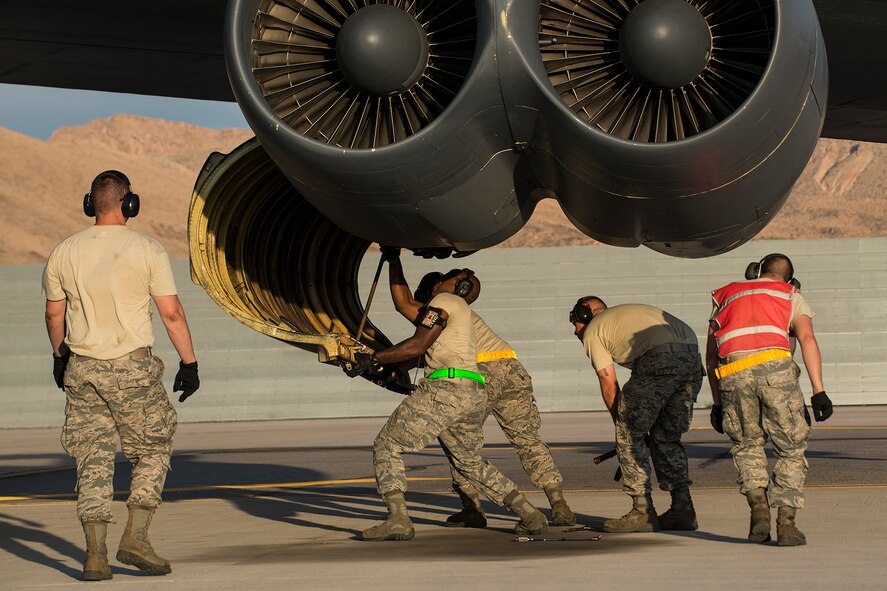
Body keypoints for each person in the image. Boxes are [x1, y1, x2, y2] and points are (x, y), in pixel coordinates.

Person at [42, 170, 200, 580]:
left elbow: (53, 313)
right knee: (153, 448)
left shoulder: (64, 251)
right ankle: (136, 537)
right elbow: (171, 313)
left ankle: (95, 556)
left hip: (83, 367)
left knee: (92, 458)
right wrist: (189, 363)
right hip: (132, 367)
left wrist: (60, 357)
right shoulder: (147, 249)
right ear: (130, 204)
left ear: (90, 203)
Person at [345, 253, 548, 541]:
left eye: (443, 279)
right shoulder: (460, 313)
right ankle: (529, 513)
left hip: (447, 390)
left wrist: (373, 360)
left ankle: (398, 520)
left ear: (459, 285)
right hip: (472, 391)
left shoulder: (445, 302)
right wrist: (393, 261)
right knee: (469, 461)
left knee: (387, 445)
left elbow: (418, 344)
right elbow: (414, 325)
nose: (436, 283)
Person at [382, 248, 575, 527]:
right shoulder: (466, 316)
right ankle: (559, 505)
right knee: (526, 439)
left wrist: (393, 258)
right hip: (511, 368)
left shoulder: (441, 307)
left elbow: (403, 305)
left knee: (457, 439)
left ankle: (472, 507)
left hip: (480, 373)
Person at [707, 253, 833, 546]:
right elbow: (807, 339)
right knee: (791, 447)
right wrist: (819, 391)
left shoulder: (725, 295)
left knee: (746, 445)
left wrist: (716, 402)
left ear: (755, 270)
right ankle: (786, 524)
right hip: (777, 369)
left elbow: (712, 355)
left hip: (733, 372)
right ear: (789, 278)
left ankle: (759, 512)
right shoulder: (790, 294)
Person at [569, 296, 703, 533]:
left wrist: (622, 426)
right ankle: (683, 509)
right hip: (691, 357)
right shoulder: (624, 316)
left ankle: (642, 511)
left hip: (658, 359)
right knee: (666, 437)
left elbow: (608, 381)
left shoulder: (593, 330)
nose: (575, 332)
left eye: (575, 324)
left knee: (629, 435)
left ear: (585, 314)